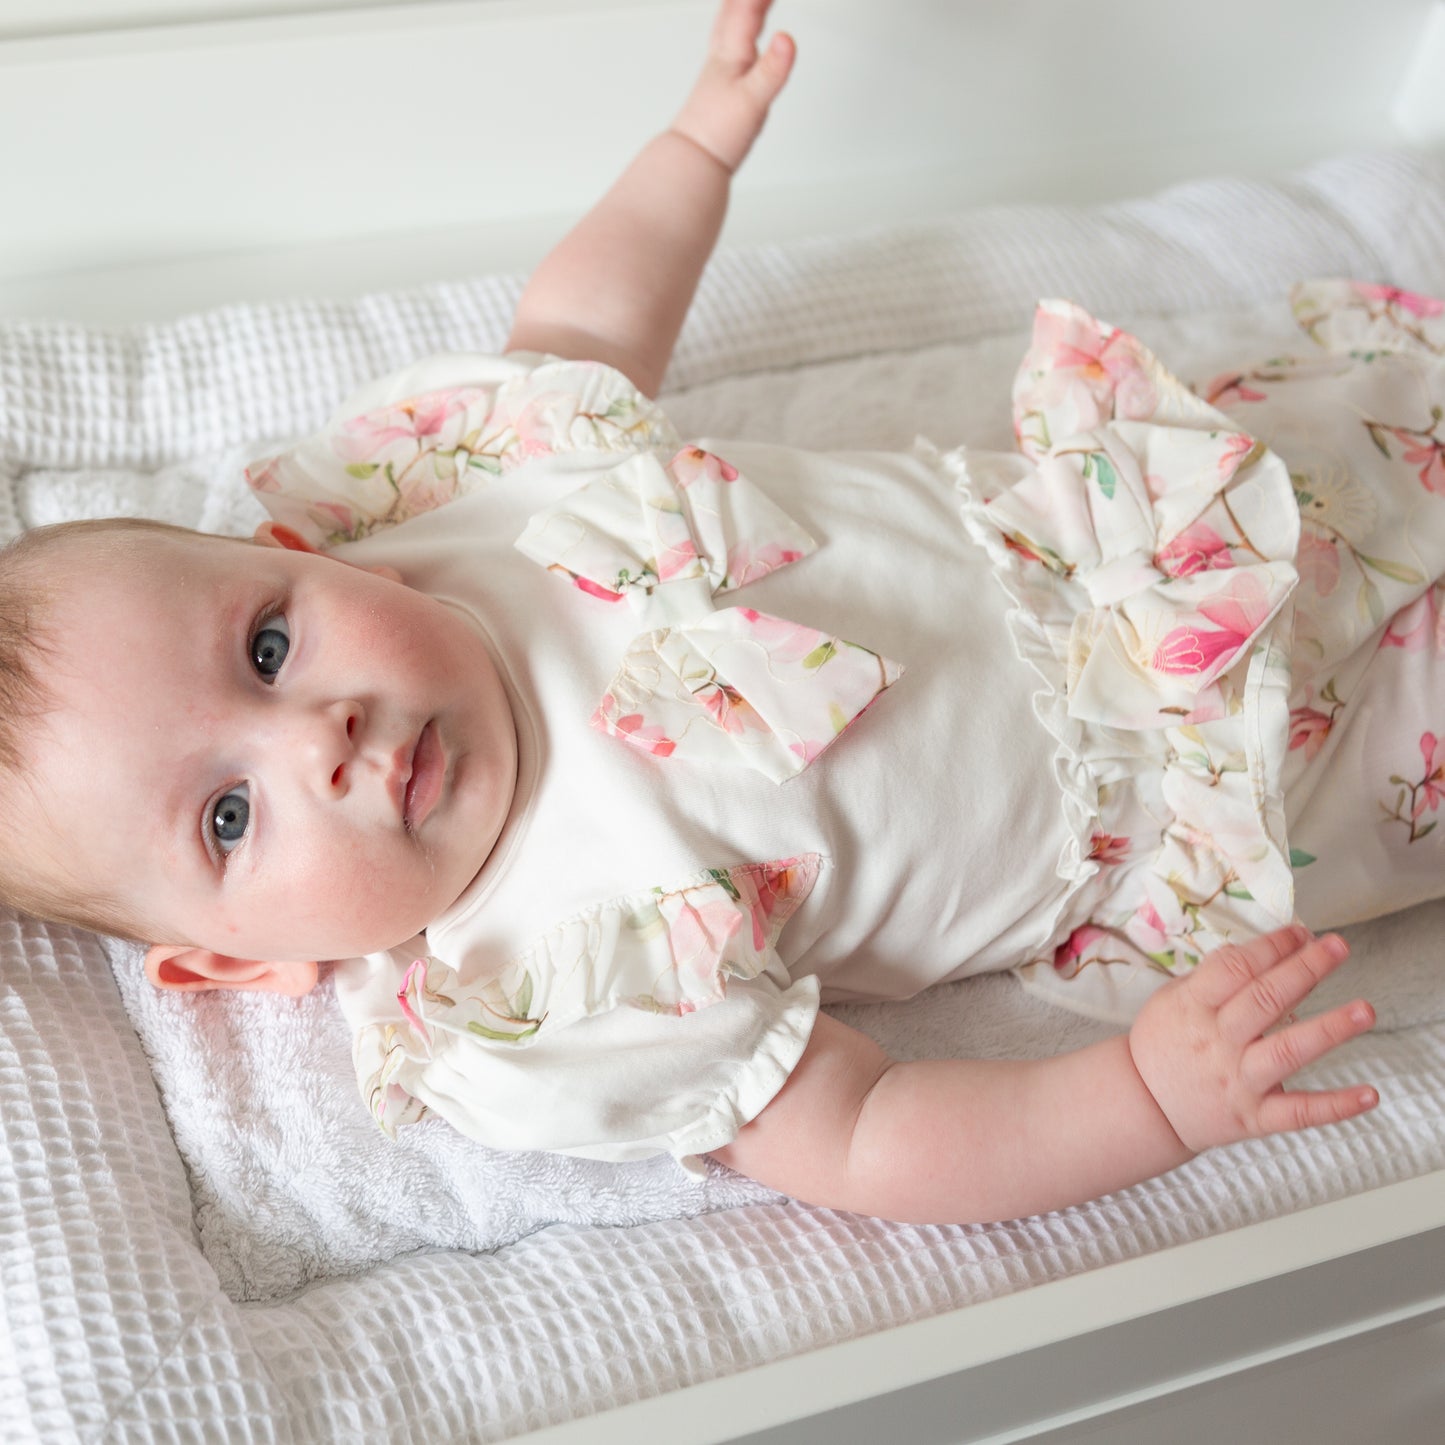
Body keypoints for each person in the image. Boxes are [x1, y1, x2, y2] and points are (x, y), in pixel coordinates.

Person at [15, 0, 1445, 1227]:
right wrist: (1143, 1095)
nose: (315, 738)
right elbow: (866, 1131)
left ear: (310, 560)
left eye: (267, 645)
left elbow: (581, 332)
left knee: (1396, 440)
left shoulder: (450, 498)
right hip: (1242, 775)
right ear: (242, 962)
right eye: (227, 816)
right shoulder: (555, 987)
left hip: (1152, 516)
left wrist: (694, 150)